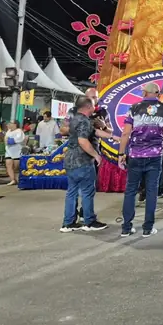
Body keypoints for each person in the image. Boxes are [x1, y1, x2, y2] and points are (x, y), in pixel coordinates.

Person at [118, 83, 163, 237]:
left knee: (130, 191)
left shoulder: (134, 108)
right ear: (158, 93)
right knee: (151, 191)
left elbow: (125, 133)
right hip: (155, 156)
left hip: (135, 156)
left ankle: (126, 228)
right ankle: (147, 228)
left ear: (144, 93)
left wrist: (121, 154)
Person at [60, 96, 107, 233]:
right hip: (83, 161)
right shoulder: (85, 121)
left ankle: (68, 223)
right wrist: (96, 155)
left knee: (72, 192)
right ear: (87, 107)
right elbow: (83, 141)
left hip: (70, 160)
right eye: (92, 104)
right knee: (87, 192)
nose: (94, 107)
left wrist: (111, 135)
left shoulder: (73, 119)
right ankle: (89, 221)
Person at [4, 121, 24, 186]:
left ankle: (18, 178)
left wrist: (9, 140)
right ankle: (12, 179)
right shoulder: (8, 131)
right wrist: (8, 140)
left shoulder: (19, 131)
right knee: (8, 165)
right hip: (8, 151)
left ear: (15, 124)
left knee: (16, 166)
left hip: (17, 151)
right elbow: (5, 140)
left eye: (10, 123)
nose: (9, 125)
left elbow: (16, 140)